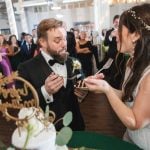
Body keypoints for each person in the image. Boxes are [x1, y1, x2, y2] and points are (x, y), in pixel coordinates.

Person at [84, 3, 150, 149]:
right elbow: (127, 96)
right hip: (129, 139)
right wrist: (102, 88)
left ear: (136, 34)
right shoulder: (132, 62)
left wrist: (107, 89)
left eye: (119, 29)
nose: (114, 34)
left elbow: (134, 121)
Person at [17, 18, 85, 131]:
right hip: (46, 131)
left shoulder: (73, 61)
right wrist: (45, 91)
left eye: (65, 39)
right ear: (42, 42)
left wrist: (85, 88)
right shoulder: (25, 68)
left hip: (76, 126)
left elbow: (80, 85)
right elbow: (23, 103)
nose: (64, 44)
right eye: (58, 40)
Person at [100, 14, 126, 89]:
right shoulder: (109, 32)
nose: (117, 23)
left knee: (120, 72)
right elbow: (105, 43)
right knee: (111, 73)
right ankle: (110, 88)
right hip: (111, 56)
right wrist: (111, 36)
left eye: (119, 21)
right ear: (113, 22)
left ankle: (119, 88)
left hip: (120, 55)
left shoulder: (123, 30)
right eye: (116, 22)